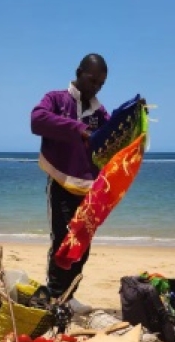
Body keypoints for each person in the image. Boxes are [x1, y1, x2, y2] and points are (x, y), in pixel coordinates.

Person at [30, 53, 110, 314]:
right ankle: (55, 297)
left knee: (82, 244)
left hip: (89, 189)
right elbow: (37, 120)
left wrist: (134, 118)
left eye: (101, 84)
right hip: (61, 183)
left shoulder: (99, 113)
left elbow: (114, 136)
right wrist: (77, 128)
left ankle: (69, 295)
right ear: (78, 73)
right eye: (92, 80)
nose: (96, 87)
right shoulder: (55, 99)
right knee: (63, 240)